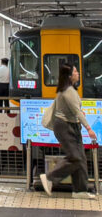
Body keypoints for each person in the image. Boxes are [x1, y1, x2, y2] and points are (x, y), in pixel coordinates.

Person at [40, 63, 98, 201]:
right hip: (65, 127)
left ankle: (80, 191)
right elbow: (77, 112)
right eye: (76, 72)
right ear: (70, 75)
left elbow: (75, 109)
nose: (78, 74)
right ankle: (49, 177)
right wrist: (89, 128)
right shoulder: (68, 91)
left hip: (73, 126)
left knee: (81, 158)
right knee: (75, 157)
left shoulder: (70, 89)